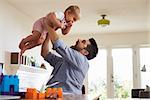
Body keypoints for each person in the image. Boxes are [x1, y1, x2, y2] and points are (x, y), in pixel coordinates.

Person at [41, 23, 98, 94]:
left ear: (85, 52)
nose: (79, 39)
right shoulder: (65, 61)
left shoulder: (82, 61)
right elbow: (45, 53)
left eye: (83, 42)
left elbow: (59, 45)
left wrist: (49, 24)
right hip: (52, 93)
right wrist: (48, 35)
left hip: (67, 96)